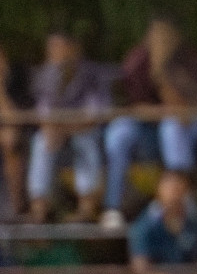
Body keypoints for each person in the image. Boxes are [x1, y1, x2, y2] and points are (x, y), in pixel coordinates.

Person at [102, 16, 197, 230]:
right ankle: (112, 206)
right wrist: (161, 110)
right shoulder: (138, 59)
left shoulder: (187, 59)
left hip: (187, 125)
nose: (161, 38)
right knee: (119, 134)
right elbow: (133, 106)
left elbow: (192, 106)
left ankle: (181, 201)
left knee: (172, 129)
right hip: (148, 124)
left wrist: (166, 76)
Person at [27, 31, 114, 222]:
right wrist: (51, 130)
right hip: (57, 133)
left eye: (60, 49)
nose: (56, 55)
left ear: (74, 50)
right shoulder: (45, 76)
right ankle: (39, 208)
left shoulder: (93, 75)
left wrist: (64, 130)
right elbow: (43, 112)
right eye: (52, 50)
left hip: (85, 131)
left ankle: (86, 207)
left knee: (85, 142)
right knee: (41, 142)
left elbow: (95, 115)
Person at [124, 170, 197, 274]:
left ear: (187, 190)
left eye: (178, 187)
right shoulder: (144, 225)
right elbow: (140, 268)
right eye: (169, 187)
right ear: (158, 190)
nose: (174, 193)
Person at [0, 44, 28, 219]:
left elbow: (13, 120)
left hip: (13, 135)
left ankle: (15, 209)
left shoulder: (17, 79)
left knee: (11, 141)